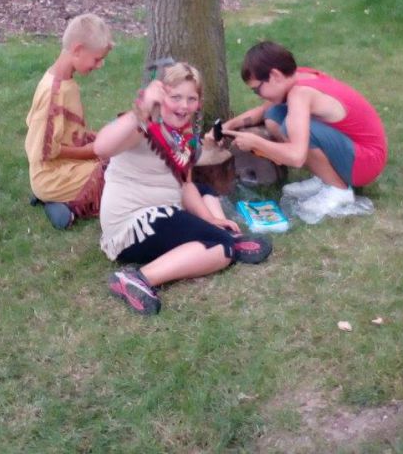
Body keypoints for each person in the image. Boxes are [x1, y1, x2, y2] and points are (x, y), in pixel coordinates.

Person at [95, 62, 272, 316]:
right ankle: (137, 278)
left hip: (164, 211)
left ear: (199, 102)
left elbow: (185, 184)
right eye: (175, 97)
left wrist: (210, 219)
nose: (184, 106)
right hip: (135, 224)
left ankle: (221, 234)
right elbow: (101, 148)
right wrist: (142, 108)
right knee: (221, 249)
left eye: (191, 99)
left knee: (203, 191)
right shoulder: (143, 124)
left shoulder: (183, 131)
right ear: (160, 96)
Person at [219, 41, 387, 207]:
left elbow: (296, 157)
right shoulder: (296, 76)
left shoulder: (300, 94)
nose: (258, 95)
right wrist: (226, 127)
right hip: (357, 150)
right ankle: (325, 178)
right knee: (273, 115)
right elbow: (262, 111)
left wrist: (256, 142)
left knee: (294, 129)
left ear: (275, 75)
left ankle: (338, 190)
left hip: (366, 163)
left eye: (257, 89)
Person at [24, 13, 112, 230]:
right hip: (52, 177)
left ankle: (58, 200)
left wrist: (93, 139)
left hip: (65, 167)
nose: (100, 65)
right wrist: (91, 151)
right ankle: (66, 206)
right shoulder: (53, 93)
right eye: (97, 59)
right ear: (78, 49)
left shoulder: (65, 83)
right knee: (117, 174)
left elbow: (67, 131)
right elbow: (44, 151)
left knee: (118, 154)